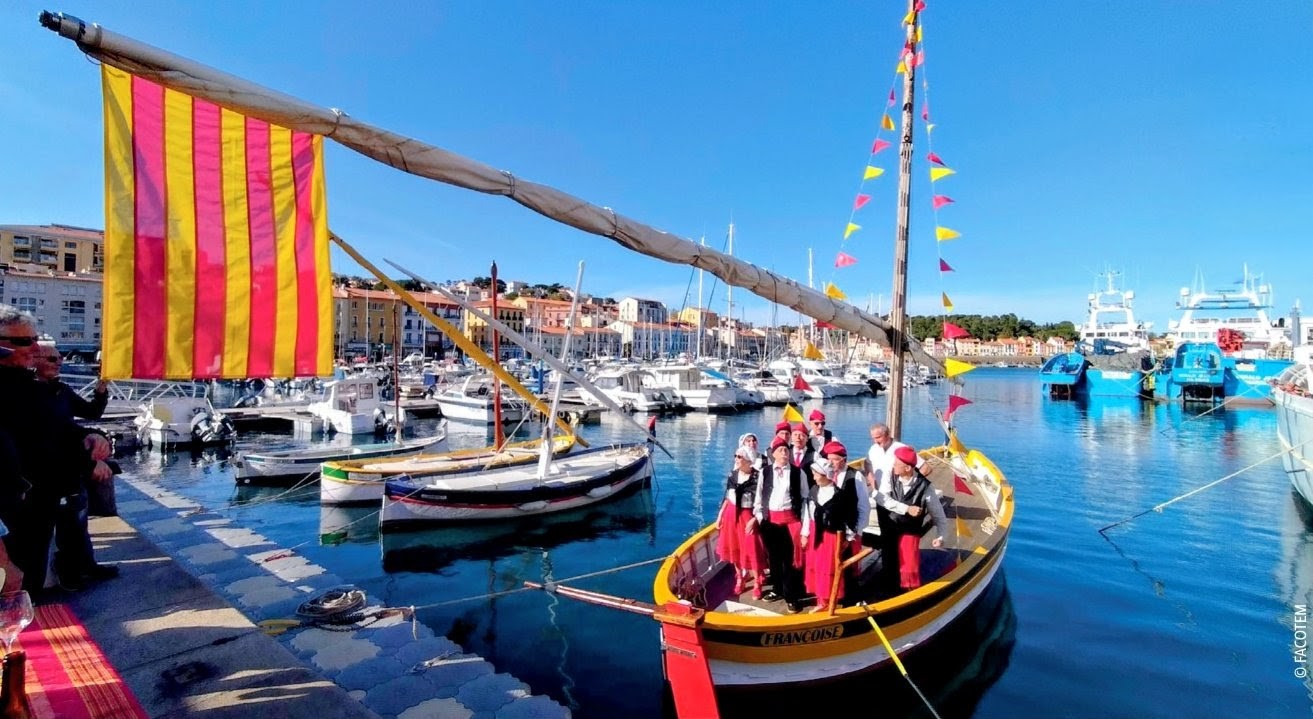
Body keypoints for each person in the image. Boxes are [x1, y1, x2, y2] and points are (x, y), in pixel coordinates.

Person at [0, 305, 112, 593]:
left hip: (40, 492)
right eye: (24, 341)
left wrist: (90, 434)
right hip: (19, 501)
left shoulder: (38, 388)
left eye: (34, 340)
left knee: (35, 565)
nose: (34, 348)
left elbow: (56, 429)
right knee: (18, 577)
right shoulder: (14, 389)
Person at [31, 344, 118, 589]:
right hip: (47, 471)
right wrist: (89, 459)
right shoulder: (29, 393)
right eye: (51, 359)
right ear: (35, 359)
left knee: (78, 521)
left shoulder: (62, 390)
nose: (58, 363)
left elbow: (91, 413)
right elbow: (50, 436)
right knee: (58, 525)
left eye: (59, 359)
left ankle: (87, 566)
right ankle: (65, 575)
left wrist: (101, 389)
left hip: (70, 469)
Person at [754, 436, 806, 612]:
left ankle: (792, 596)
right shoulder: (765, 472)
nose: (784, 453)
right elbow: (759, 497)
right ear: (773, 454)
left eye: (786, 450)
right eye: (781, 450)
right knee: (773, 558)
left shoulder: (798, 473)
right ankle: (777, 589)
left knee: (789, 561)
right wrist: (760, 517)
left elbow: (805, 499)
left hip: (790, 521)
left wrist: (803, 525)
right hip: (770, 522)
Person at [886, 445, 948, 590]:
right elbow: (883, 499)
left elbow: (939, 516)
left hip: (909, 531)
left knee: (908, 568)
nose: (893, 466)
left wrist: (941, 537)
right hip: (892, 528)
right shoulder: (892, 477)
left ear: (907, 468)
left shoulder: (925, 488)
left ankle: (910, 592)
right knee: (890, 564)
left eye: (896, 463)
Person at [799, 460, 857, 613]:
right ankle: (820, 599)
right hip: (815, 534)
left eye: (816, 473)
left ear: (825, 475)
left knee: (827, 567)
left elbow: (848, 518)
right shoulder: (813, 491)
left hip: (831, 536)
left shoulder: (839, 495)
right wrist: (805, 534)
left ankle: (827, 600)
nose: (813, 476)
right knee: (815, 566)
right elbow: (808, 515)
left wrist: (848, 538)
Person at [715, 447, 767, 599]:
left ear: (749, 460)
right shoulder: (732, 475)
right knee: (734, 547)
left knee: (752, 548)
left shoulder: (757, 477)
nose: (736, 459)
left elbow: (763, 502)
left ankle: (757, 581)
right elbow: (728, 498)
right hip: (731, 514)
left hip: (748, 515)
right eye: (735, 456)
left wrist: (755, 519)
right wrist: (720, 516)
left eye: (739, 457)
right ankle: (740, 577)